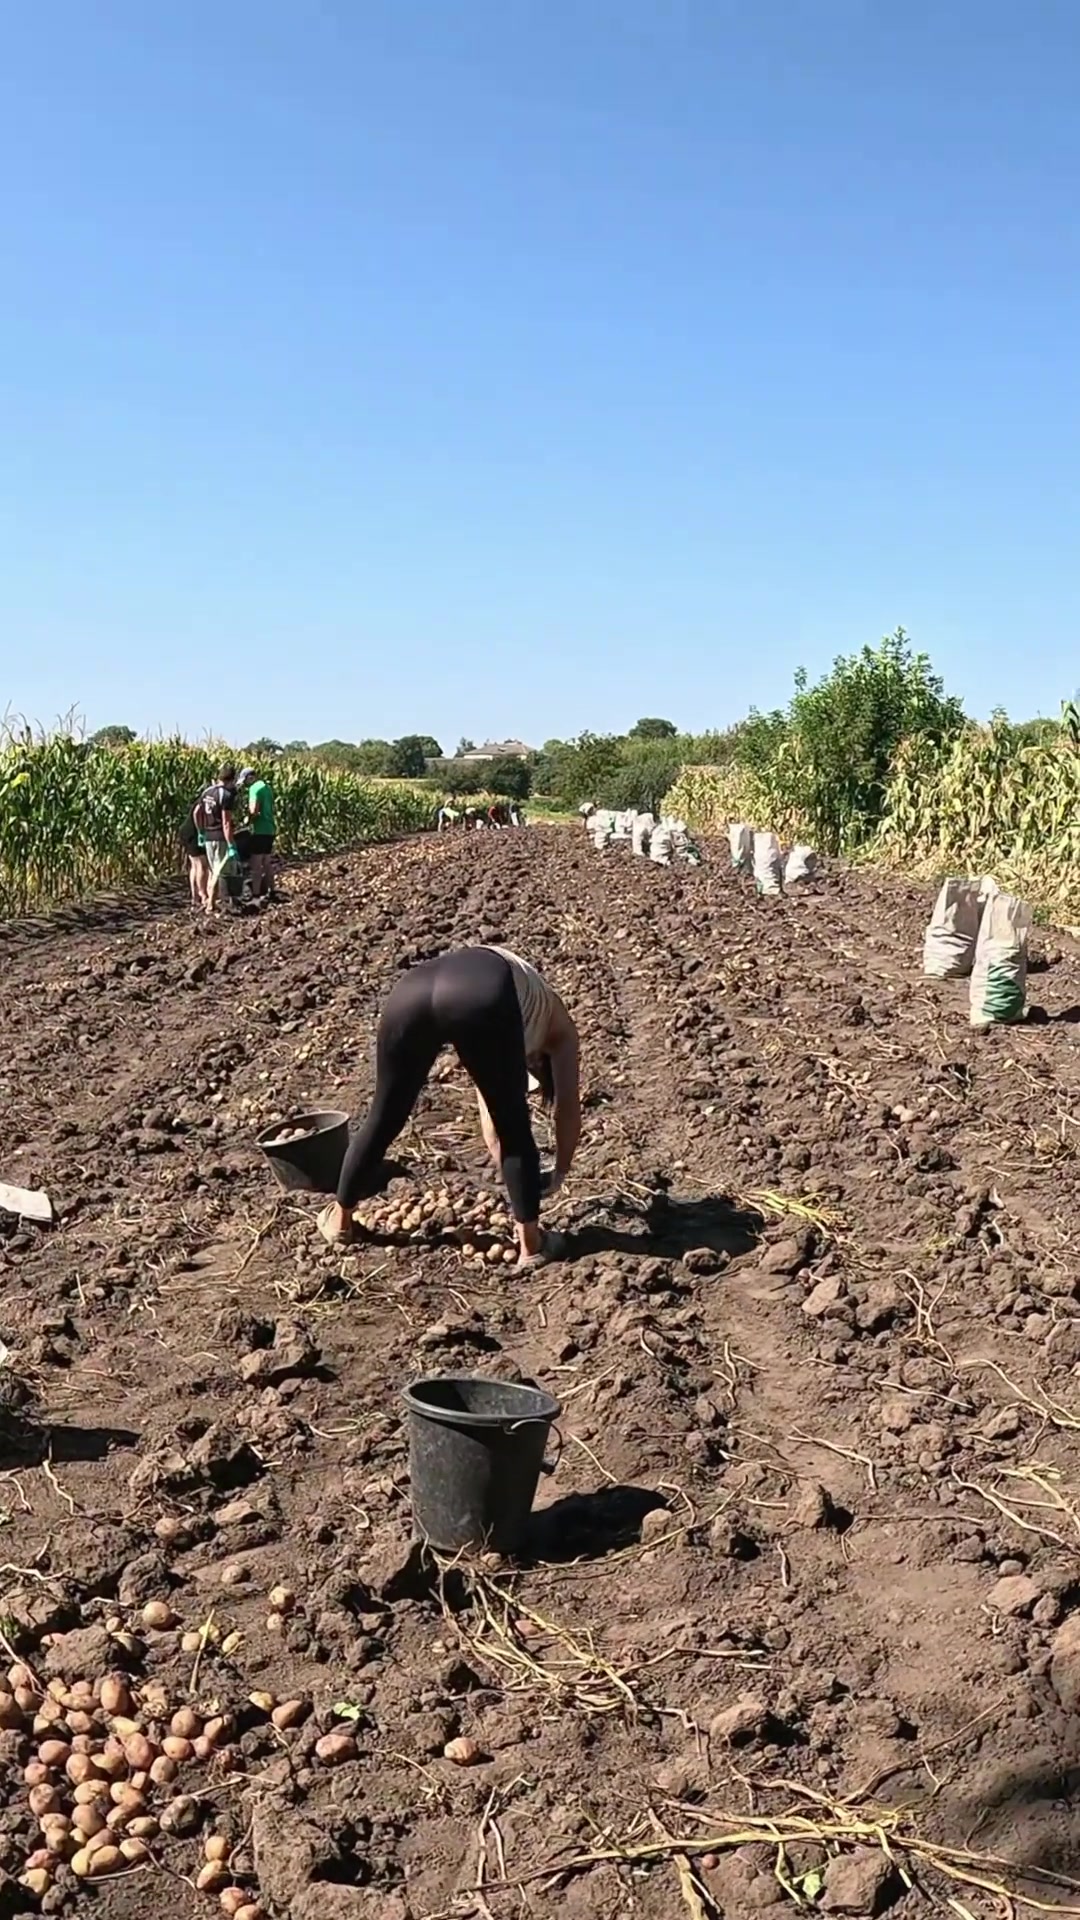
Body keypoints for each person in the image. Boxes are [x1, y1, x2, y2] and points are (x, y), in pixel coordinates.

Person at [320, 945, 581, 1266]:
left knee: (384, 1115)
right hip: (477, 994)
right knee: (515, 1124)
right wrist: (559, 1173)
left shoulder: (524, 998)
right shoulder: (561, 1029)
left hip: (411, 991)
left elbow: (491, 1128)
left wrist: (520, 1181)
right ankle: (532, 1246)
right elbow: (564, 1110)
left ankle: (340, 1220)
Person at [194, 763, 241, 914]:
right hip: (220, 836)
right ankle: (210, 906)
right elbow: (226, 823)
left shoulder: (207, 792)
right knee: (219, 871)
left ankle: (209, 901)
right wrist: (231, 844)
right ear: (231, 780)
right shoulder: (225, 796)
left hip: (208, 836)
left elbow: (197, 812)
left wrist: (200, 831)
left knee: (213, 868)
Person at [245, 766, 277, 900]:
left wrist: (248, 820)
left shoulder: (254, 789)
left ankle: (256, 894)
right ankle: (272, 890)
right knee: (267, 861)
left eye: (246, 781)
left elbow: (254, 810)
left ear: (250, 778)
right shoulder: (267, 788)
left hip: (259, 830)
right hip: (270, 828)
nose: (246, 785)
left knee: (256, 863)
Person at [179, 801, 208, 910]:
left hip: (186, 831)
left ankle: (195, 897)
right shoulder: (207, 798)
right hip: (193, 833)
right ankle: (203, 895)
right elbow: (196, 812)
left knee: (195, 865)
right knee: (202, 865)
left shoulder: (206, 796)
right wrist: (200, 831)